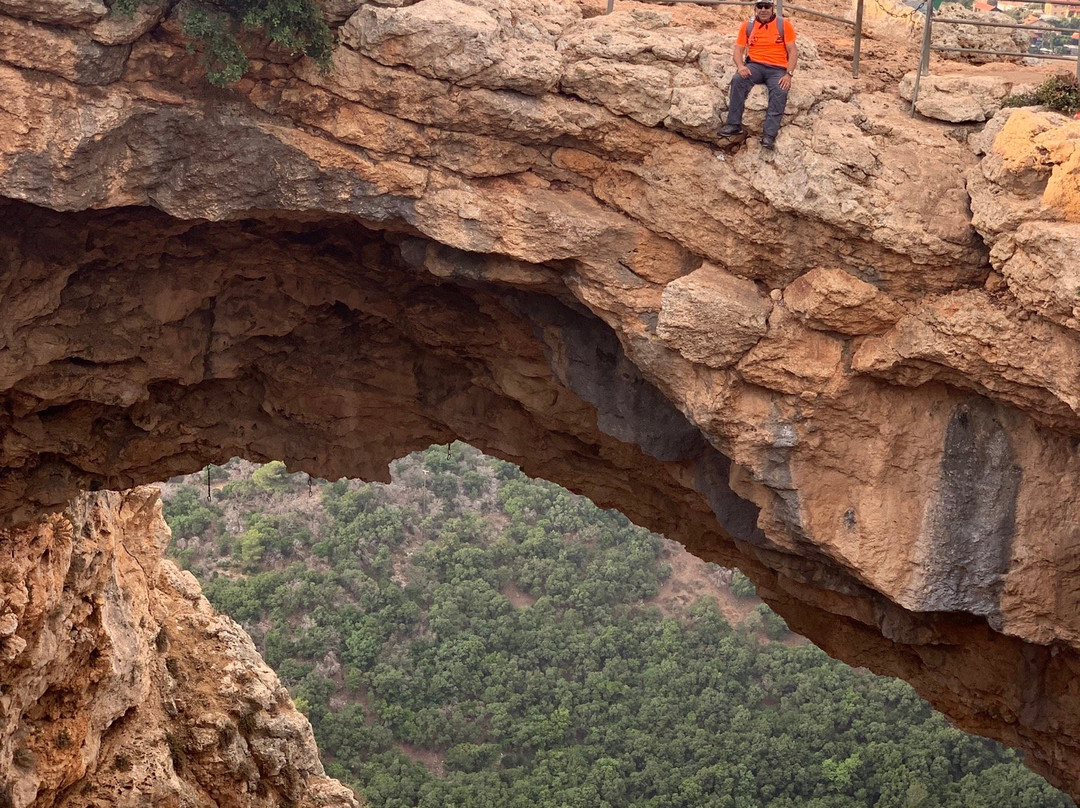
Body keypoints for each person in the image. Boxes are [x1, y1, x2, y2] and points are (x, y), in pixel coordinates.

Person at [718, 0, 798, 150]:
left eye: (767, 6)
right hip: (755, 66)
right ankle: (734, 124)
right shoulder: (748, 25)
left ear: (772, 8)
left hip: (777, 69)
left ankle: (769, 135)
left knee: (780, 91)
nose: (763, 10)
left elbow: (793, 51)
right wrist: (740, 66)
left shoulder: (784, 25)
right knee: (738, 80)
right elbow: (738, 50)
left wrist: (789, 74)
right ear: (755, 8)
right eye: (760, 6)